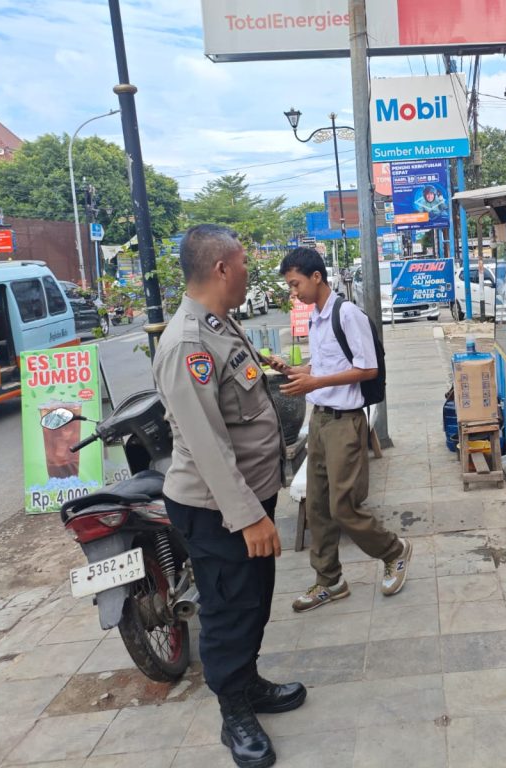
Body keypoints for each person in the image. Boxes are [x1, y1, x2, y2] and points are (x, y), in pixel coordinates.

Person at [153, 224, 304, 768]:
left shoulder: (219, 323)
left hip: (249, 497)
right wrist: (248, 519)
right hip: (217, 509)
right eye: (243, 262)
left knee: (255, 597)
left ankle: (249, 682)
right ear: (221, 268)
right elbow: (208, 446)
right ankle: (233, 714)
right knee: (228, 609)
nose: (249, 270)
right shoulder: (187, 343)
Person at [277, 247, 411, 612]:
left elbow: (366, 369)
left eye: (296, 284)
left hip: (345, 423)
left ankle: (394, 551)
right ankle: (329, 580)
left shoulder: (346, 314)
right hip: (319, 420)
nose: (294, 293)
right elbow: (321, 366)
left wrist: (315, 382)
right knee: (318, 506)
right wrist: (296, 373)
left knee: (343, 507)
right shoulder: (316, 319)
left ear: (316, 277)